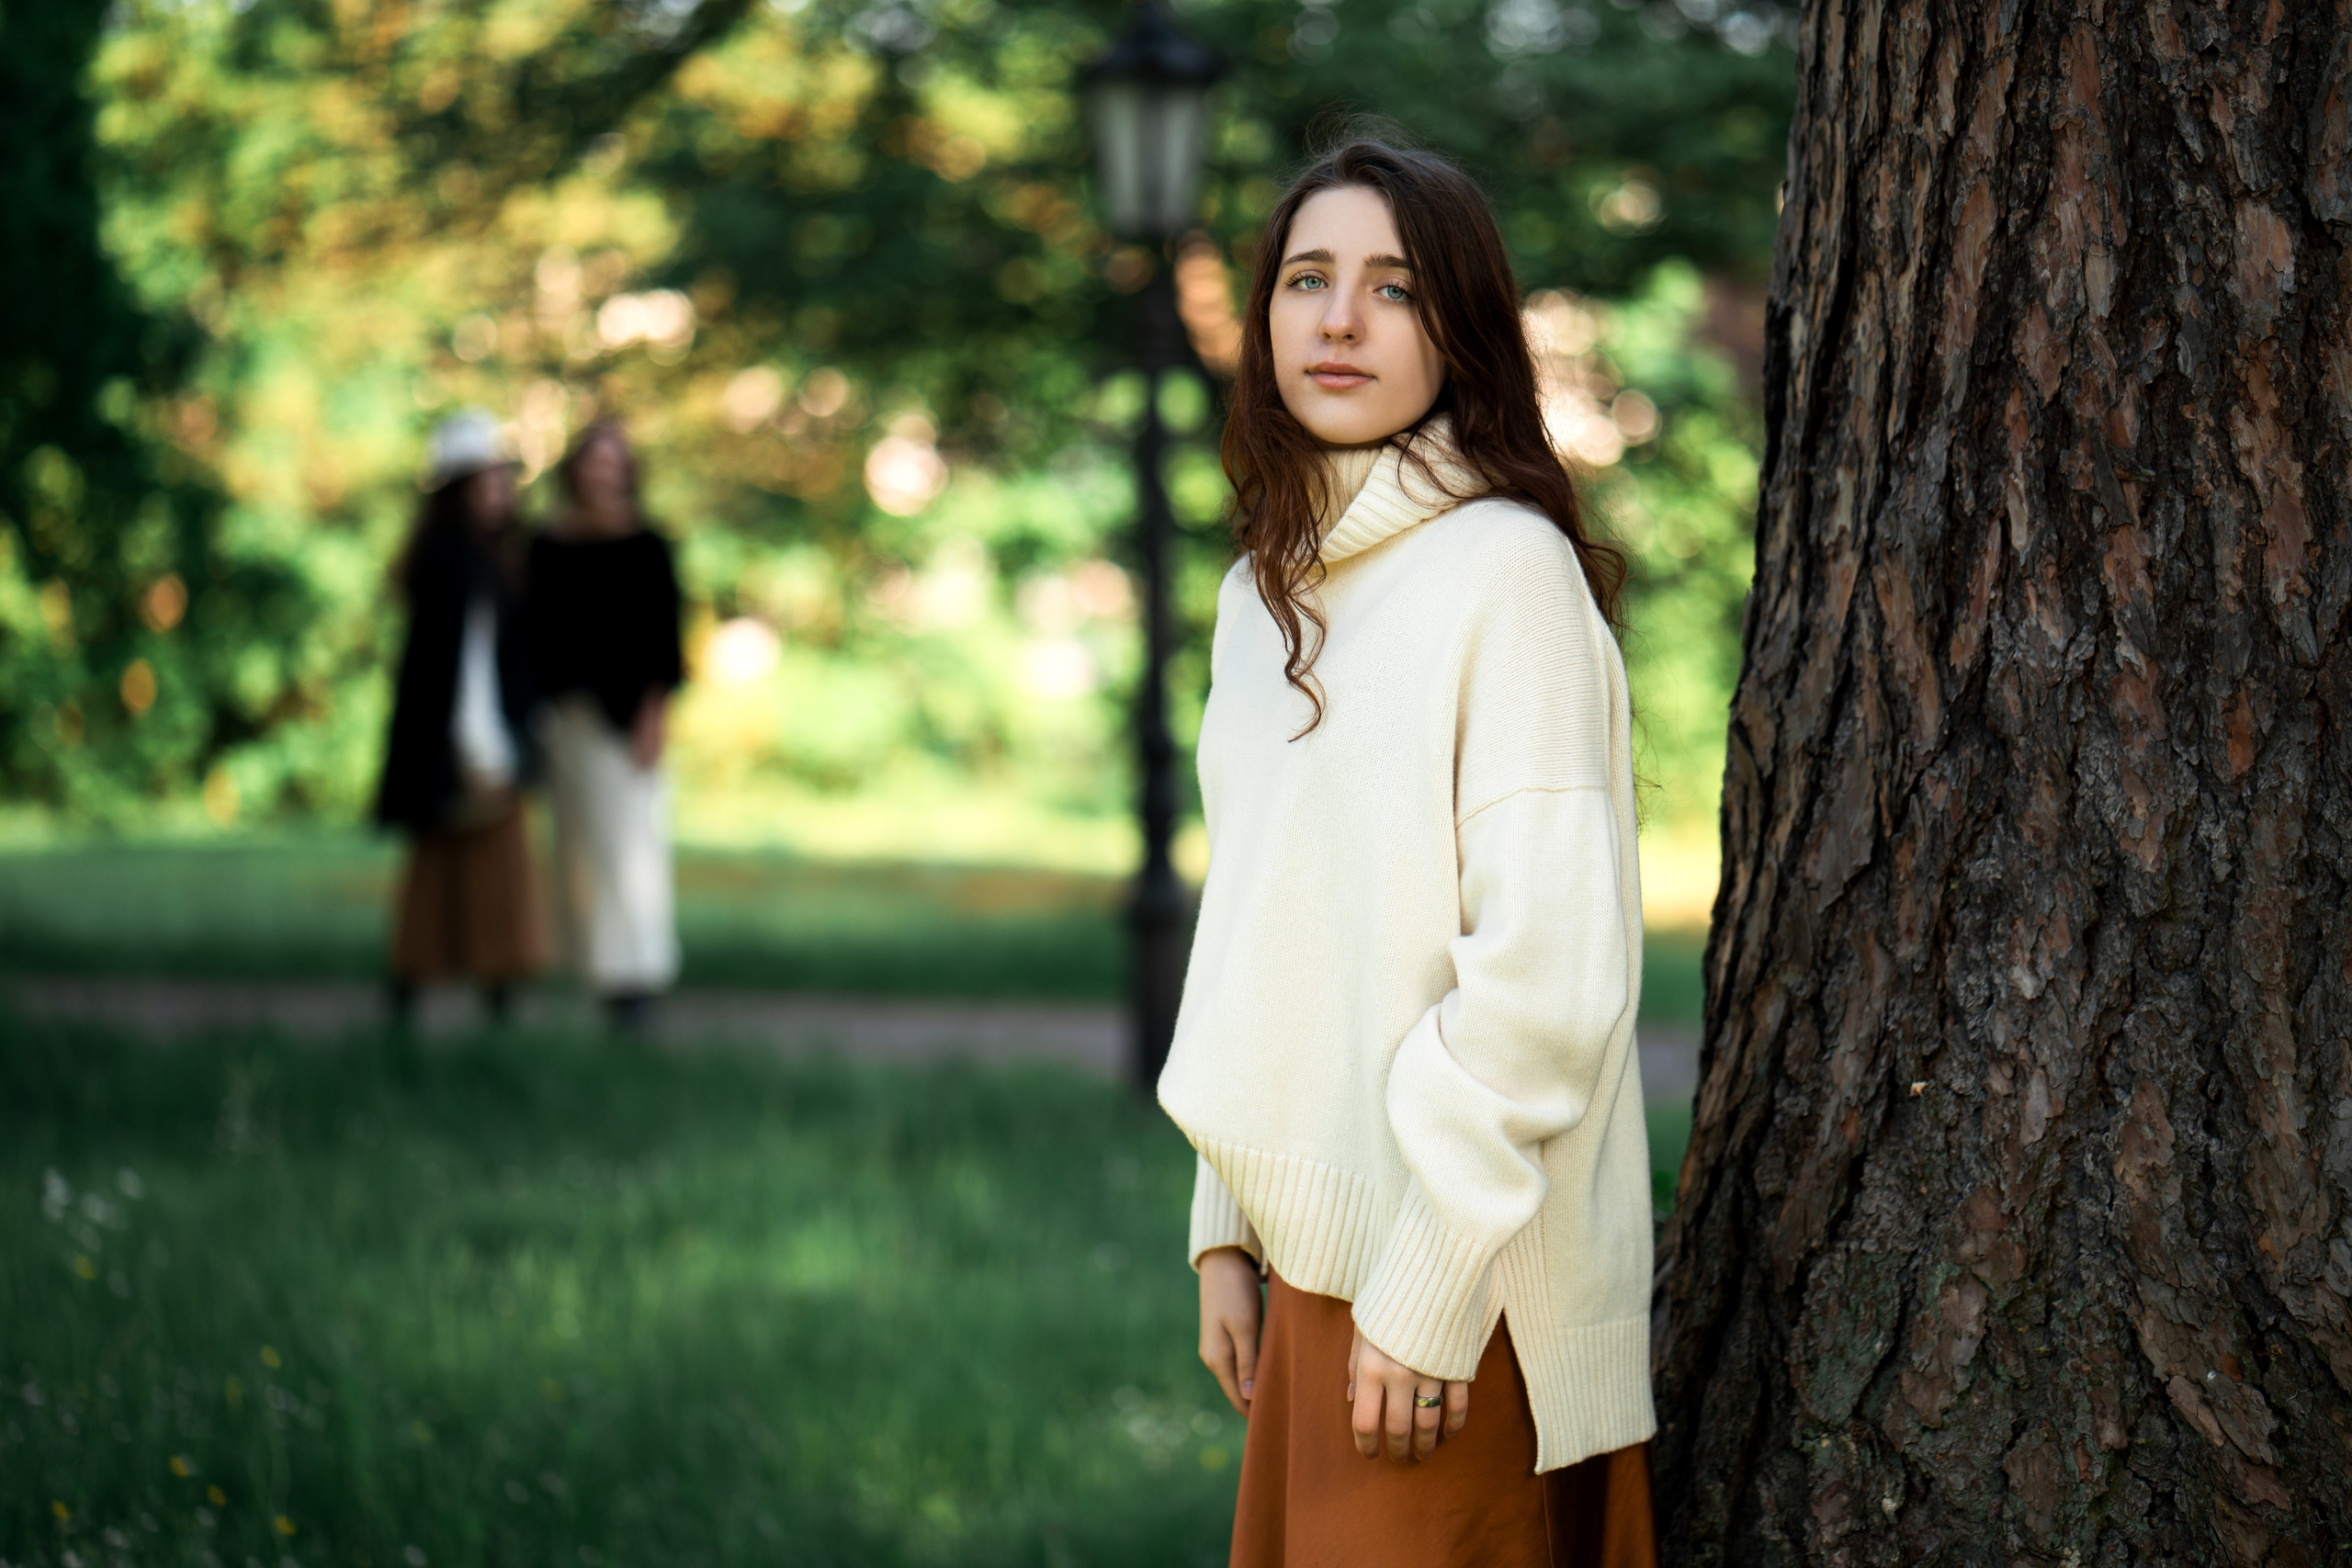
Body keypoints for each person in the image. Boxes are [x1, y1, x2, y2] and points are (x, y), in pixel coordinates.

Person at [1156, 139, 1657, 1566]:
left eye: (1393, 287)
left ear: (1460, 330)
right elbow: (1263, 928)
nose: (1338, 319)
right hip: (1310, 1269)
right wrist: (1226, 1228)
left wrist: (1427, 1291)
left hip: (1461, 1281)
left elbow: (1549, 978)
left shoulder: (1506, 571)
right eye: (1309, 278)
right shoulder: (1263, 589)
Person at [375, 409, 546, 1025]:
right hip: (465, 755)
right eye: (488, 480)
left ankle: (462, 1000)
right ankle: (434, 1000)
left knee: (476, 884)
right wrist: (486, 750)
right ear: (459, 490)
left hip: (458, 753)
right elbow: (465, 677)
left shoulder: (479, 563)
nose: (501, 492)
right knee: (466, 888)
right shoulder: (457, 569)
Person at [525, 420, 684, 1032]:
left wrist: (653, 718)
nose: (603, 474)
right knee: (578, 849)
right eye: (594, 461)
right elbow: (535, 633)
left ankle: (635, 977)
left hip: (626, 721)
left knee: (632, 846)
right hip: (566, 716)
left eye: (613, 462)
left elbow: (665, 644)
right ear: (576, 470)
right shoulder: (548, 544)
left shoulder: (649, 544)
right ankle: (593, 972)